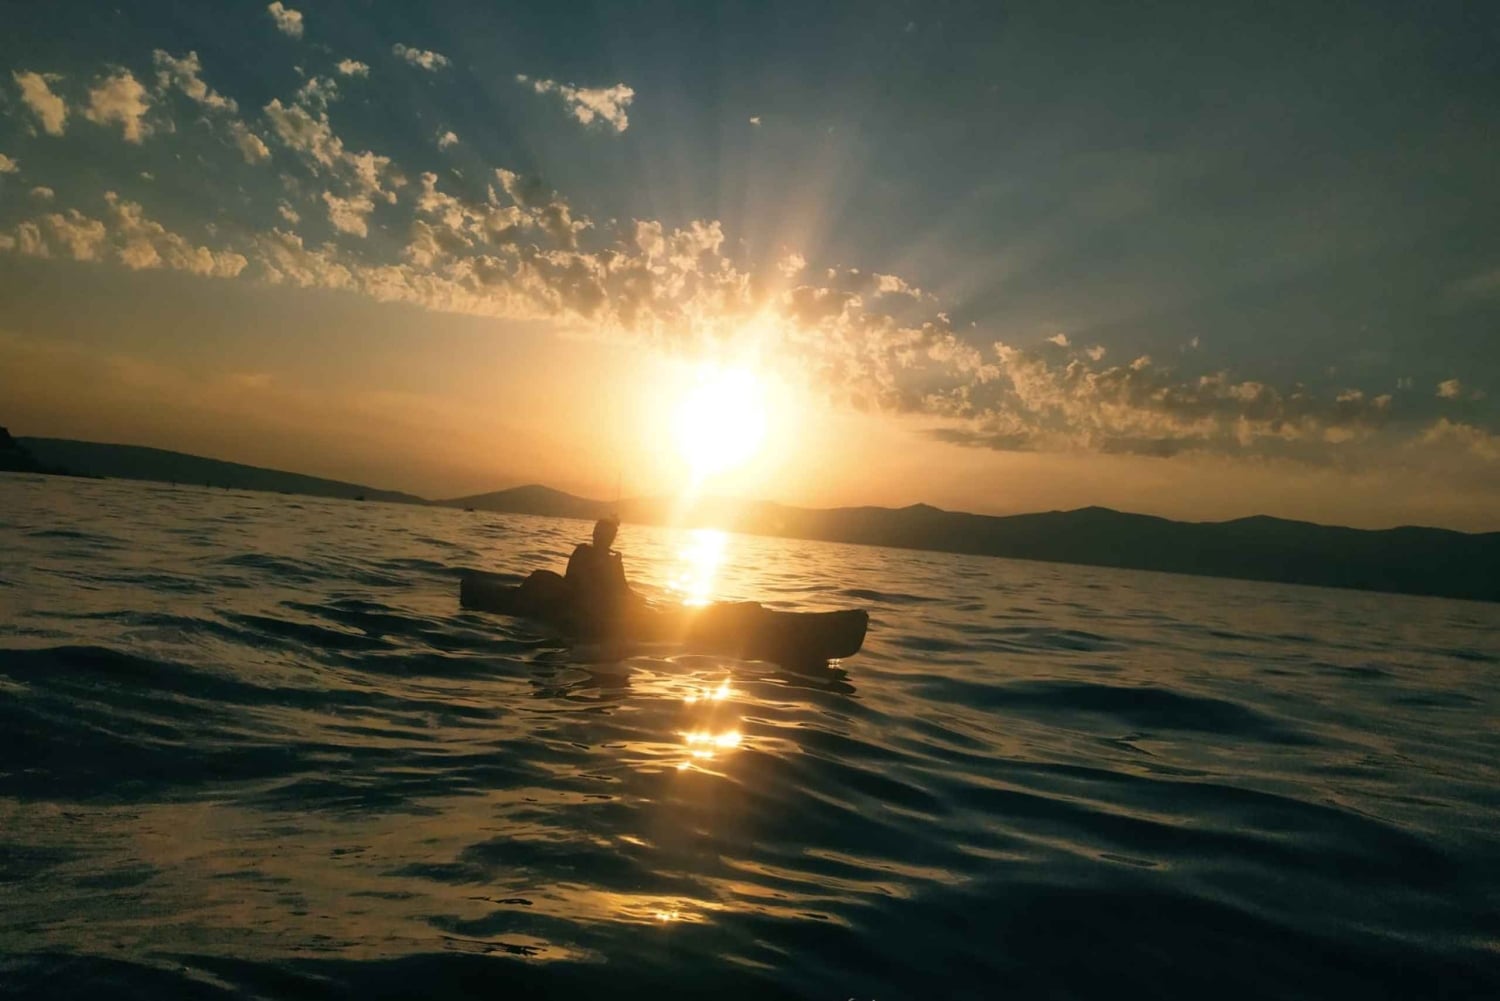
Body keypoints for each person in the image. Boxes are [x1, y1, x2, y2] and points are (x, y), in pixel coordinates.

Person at [564, 516, 639, 617]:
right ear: (594, 534)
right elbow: (573, 579)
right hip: (581, 602)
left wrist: (635, 599)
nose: (604, 539)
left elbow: (623, 587)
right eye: (601, 534)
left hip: (604, 605)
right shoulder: (582, 552)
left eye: (609, 536)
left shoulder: (614, 561)